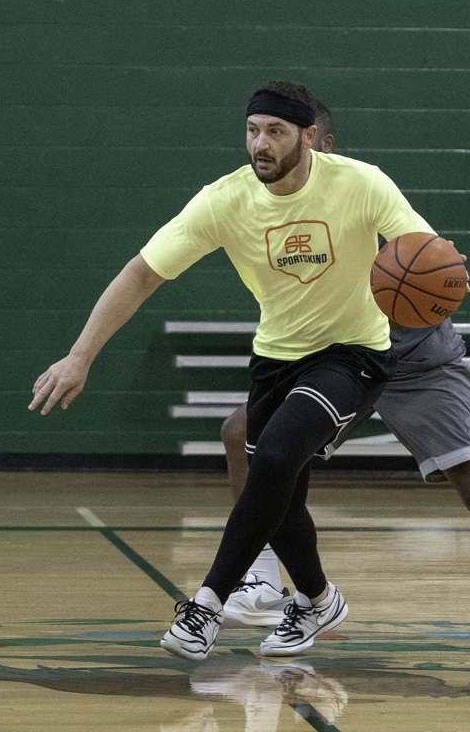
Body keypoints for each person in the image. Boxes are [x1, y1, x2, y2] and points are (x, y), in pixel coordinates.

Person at [31, 82, 431, 662]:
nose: (260, 144)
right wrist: (80, 355)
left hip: (353, 354)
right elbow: (142, 273)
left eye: (275, 132)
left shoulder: (362, 183)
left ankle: (207, 606)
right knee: (281, 494)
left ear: (309, 137)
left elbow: (421, 247)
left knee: (271, 458)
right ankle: (319, 600)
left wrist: (437, 275)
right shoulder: (224, 200)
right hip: (275, 358)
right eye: (252, 130)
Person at [217, 97, 470, 652]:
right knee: (247, 437)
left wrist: (427, 284)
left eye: (296, 139)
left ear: (320, 144)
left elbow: (436, 268)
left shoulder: (364, 193)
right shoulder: (273, 207)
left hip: (417, 361)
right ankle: (270, 585)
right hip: (341, 362)